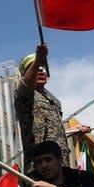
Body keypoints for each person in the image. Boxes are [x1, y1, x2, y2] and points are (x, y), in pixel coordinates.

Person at [14, 43, 69, 173]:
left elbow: (50, 130)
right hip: (40, 168)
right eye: (34, 67)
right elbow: (26, 84)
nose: (40, 70)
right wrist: (39, 58)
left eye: (42, 67)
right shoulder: (25, 94)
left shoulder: (51, 100)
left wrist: (73, 130)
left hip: (61, 168)